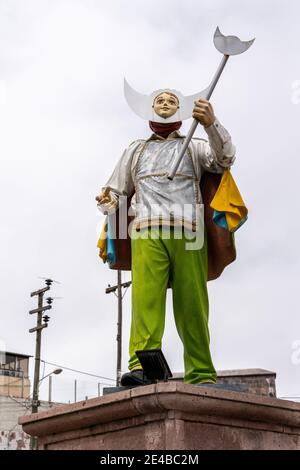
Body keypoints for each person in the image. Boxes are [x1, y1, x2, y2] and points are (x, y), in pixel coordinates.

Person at [96, 81, 236, 385]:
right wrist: (108, 203)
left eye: (171, 99)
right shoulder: (136, 149)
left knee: (192, 303)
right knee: (145, 300)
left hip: (190, 230)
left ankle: (201, 373)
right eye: (159, 99)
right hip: (145, 229)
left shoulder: (196, 146)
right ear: (150, 108)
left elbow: (224, 159)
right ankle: (142, 366)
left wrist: (212, 125)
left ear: (181, 109)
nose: (165, 102)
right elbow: (117, 190)